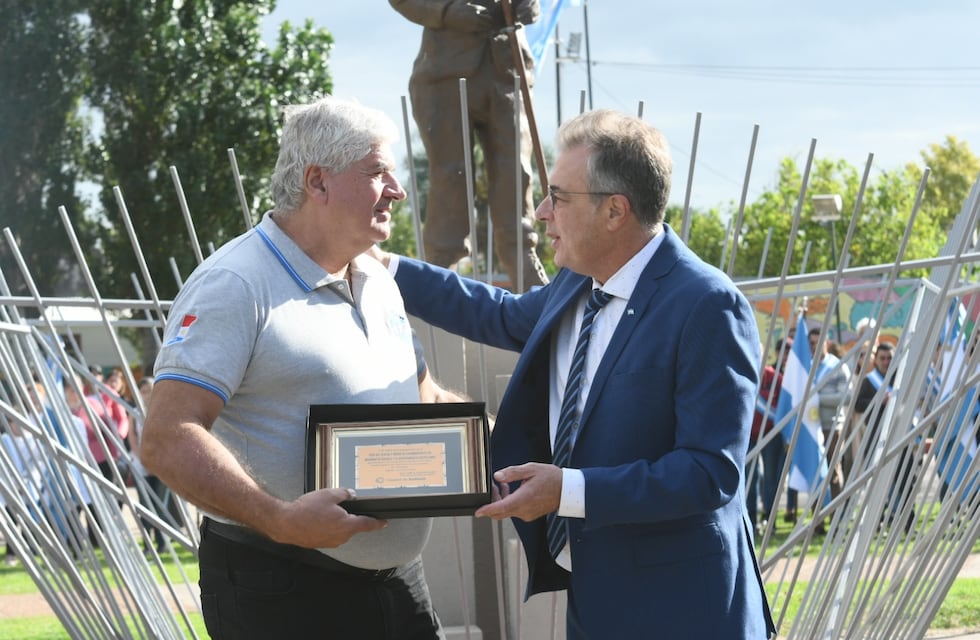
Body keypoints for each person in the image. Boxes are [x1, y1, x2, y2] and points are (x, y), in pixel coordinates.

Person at [376, 109, 775, 638]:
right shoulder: (577, 284)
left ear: (615, 211)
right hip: (596, 597)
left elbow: (709, 473)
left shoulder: (707, 304)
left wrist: (569, 490)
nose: (542, 212)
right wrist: (385, 268)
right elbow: (496, 313)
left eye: (559, 197)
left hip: (682, 610)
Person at [140, 97, 459, 639]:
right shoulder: (237, 284)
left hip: (398, 585)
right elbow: (167, 437)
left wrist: (501, 444)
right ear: (318, 182)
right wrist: (280, 520)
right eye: (377, 172)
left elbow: (422, 395)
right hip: (283, 590)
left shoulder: (379, 280)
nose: (398, 190)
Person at [390, 0, 549, 291]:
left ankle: (524, 259)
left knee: (516, 171)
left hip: (507, 68)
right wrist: (447, 11)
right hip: (445, 71)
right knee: (452, 176)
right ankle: (440, 270)